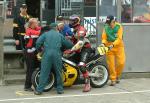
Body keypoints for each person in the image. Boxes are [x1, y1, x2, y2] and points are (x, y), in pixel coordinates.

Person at [34, 23, 73, 95]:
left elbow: (38, 43)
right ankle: (60, 89)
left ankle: (39, 90)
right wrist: (70, 44)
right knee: (58, 72)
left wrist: (40, 50)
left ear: (50, 28)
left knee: (44, 72)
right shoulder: (59, 35)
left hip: (46, 54)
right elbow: (68, 45)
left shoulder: (45, 34)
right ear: (56, 28)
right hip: (57, 54)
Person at [64, 15, 92, 92]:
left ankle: (87, 83)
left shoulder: (81, 29)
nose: (70, 22)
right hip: (78, 50)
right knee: (69, 61)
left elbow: (80, 43)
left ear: (76, 22)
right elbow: (75, 39)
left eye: (72, 21)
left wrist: (70, 50)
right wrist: (69, 38)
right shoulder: (75, 30)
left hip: (85, 49)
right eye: (70, 21)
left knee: (81, 65)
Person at [101, 15, 126, 86]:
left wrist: (113, 44)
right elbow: (104, 38)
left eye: (109, 22)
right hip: (109, 47)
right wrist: (103, 43)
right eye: (107, 22)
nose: (108, 24)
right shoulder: (106, 27)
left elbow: (119, 38)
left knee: (121, 63)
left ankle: (117, 75)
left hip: (119, 46)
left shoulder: (119, 26)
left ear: (113, 21)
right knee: (111, 64)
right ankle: (113, 79)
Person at [24, 18, 41, 91]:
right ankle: (27, 86)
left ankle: (36, 84)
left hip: (33, 52)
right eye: (36, 23)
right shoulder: (30, 31)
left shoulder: (33, 28)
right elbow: (40, 32)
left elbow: (40, 28)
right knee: (30, 70)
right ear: (32, 24)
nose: (37, 24)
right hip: (29, 52)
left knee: (36, 69)